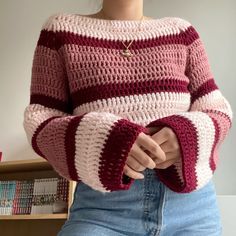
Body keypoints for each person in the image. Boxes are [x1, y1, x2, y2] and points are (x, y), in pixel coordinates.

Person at [23, 0, 233, 235]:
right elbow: (40, 119)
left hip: (191, 208)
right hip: (103, 210)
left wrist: (187, 135)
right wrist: (101, 139)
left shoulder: (182, 32)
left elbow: (217, 109)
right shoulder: (60, 31)